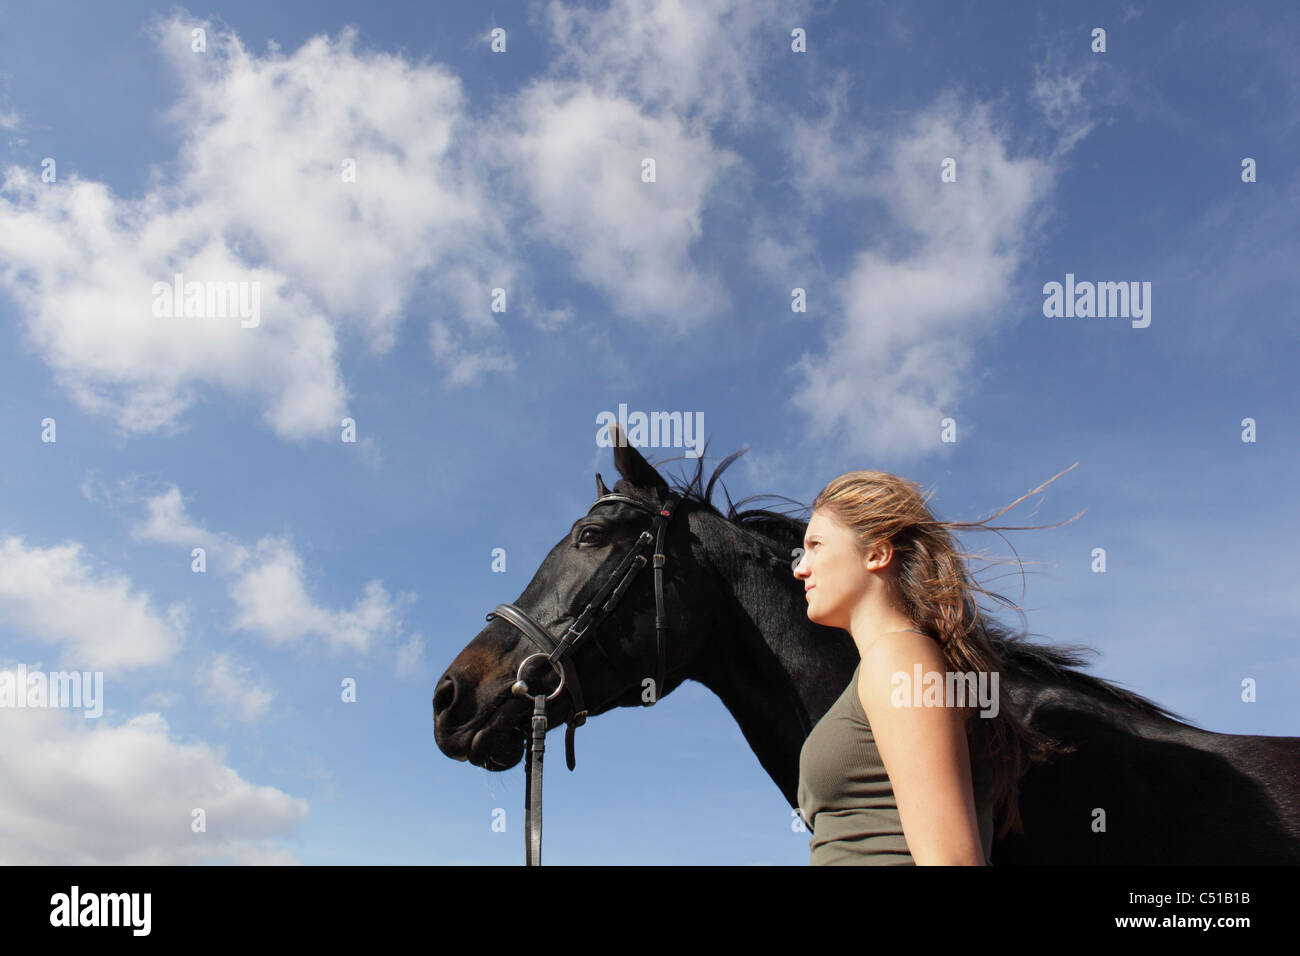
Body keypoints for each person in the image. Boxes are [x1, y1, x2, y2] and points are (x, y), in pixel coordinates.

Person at [793, 467, 1077, 865]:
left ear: (877, 552)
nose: (800, 567)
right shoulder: (891, 663)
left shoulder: (899, 661)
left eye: (816, 545)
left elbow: (954, 861)